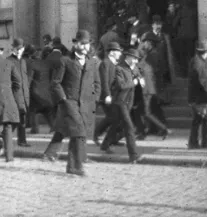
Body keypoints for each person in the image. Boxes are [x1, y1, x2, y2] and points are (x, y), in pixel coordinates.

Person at [49, 30, 100, 176]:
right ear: (75, 44)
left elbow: (97, 83)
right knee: (79, 132)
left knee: (77, 134)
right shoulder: (65, 61)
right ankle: (77, 166)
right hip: (70, 102)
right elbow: (55, 83)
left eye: (87, 44)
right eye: (82, 44)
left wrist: (95, 98)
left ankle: (72, 166)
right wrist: (64, 99)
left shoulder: (92, 62)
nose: (85, 47)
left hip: (87, 103)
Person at [100, 48, 143, 164]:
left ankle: (105, 145)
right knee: (129, 127)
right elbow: (121, 85)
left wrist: (140, 78)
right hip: (120, 102)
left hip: (129, 102)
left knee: (116, 123)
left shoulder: (133, 68)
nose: (135, 61)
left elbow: (138, 74)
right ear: (127, 57)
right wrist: (133, 83)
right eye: (134, 59)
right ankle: (133, 155)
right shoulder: (119, 68)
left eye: (137, 59)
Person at [136, 34, 171, 140]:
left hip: (150, 87)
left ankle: (158, 129)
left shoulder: (153, 55)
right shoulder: (150, 55)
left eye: (145, 42)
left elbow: (151, 71)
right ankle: (153, 129)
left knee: (147, 110)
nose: (143, 44)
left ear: (150, 43)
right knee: (152, 110)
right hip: (150, 87)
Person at [187, 39, 207, 150]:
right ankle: (205, 142)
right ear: (206, 51)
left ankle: (195, 143)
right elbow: (202, 81)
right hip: (202, 97)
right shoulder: (198, 63)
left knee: (199, 120)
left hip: (199, 97)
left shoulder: (199, 61)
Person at [93, 41, 122, 146]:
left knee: (114, 117)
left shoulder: (113, 64)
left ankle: (106, 137)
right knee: (113, 117)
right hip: (105, 95)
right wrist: (107, 95)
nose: (120, 53)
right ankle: (97, 134)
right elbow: (104, 81)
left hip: (112, 95)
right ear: (111, 53)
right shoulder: (105, 63)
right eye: (118, 51)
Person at [8, 38, 31, 147]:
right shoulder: (8, 61)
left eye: (21, 48)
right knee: (15, 119)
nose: (19, 50)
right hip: (14, 94)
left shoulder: (23, 61)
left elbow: (25, 78)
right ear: (13, 48)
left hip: (24, 95)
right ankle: (3, 137)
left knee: (22, 119)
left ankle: (22, 141)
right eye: (17, 48)